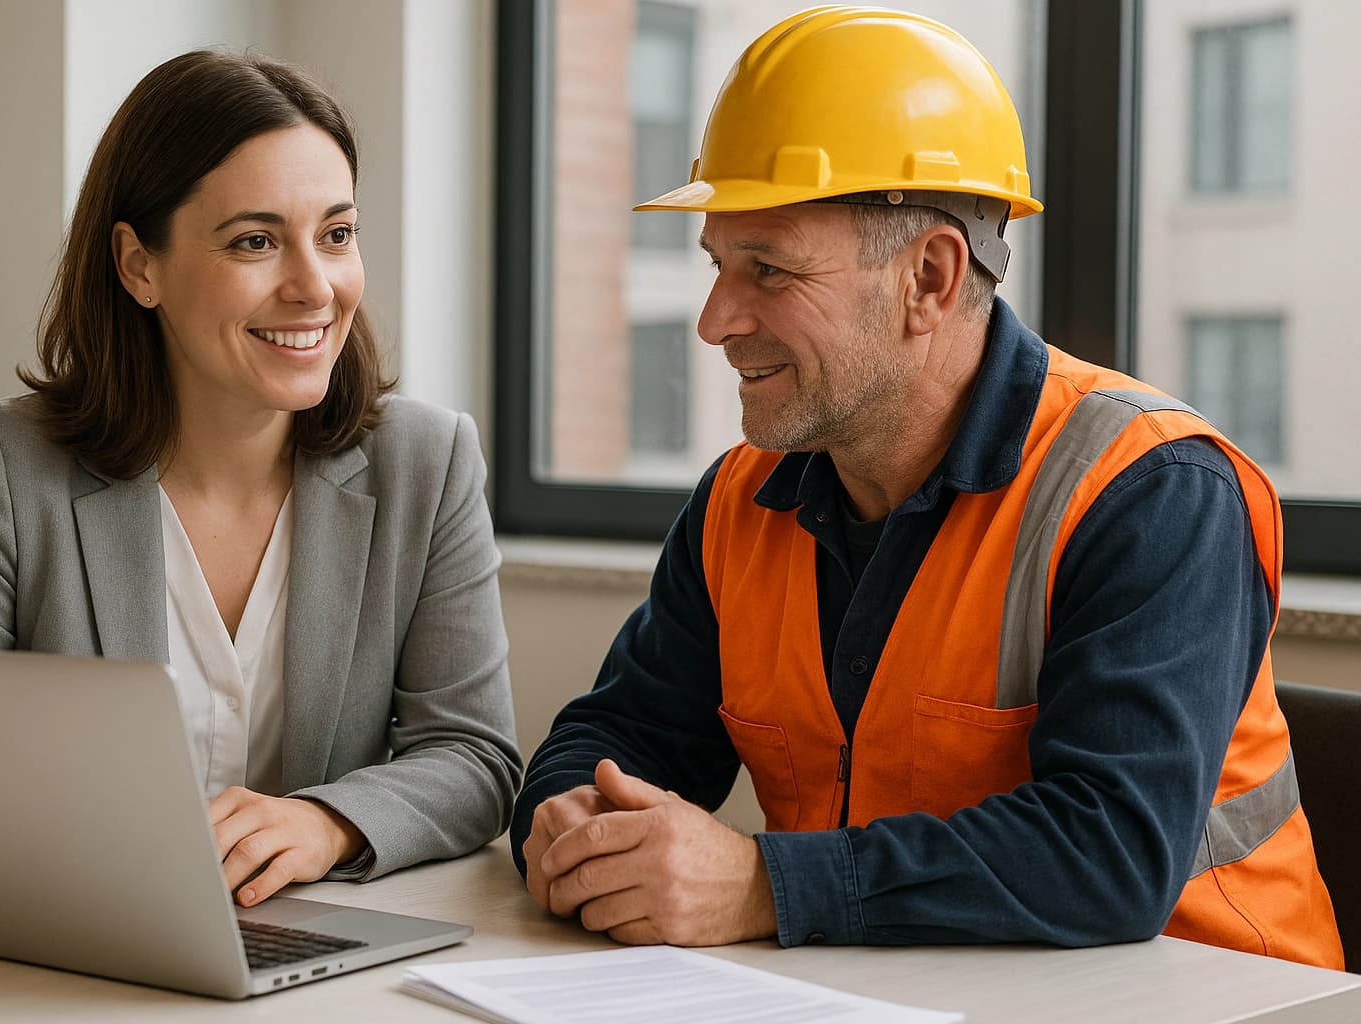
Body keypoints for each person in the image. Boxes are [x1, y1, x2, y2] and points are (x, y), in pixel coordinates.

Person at [511, 7, 1342, 968]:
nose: (714, 320)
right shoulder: (743, 501)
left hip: (1213, 996)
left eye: (767, 269)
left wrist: (758, 884)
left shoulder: (1152, 492)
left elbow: (1112, 852)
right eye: (716, 265)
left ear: (931, 278)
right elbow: (621, 729)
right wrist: (571, 816)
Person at [0, 49, 521, 906]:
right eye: (256, 242)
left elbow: (476, 758)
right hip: (72, 950)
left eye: (337, 235)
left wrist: (327, 822)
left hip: (324, 958)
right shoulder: (5, 468)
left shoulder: (429, 463)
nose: (315, 286)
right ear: (138, 266)